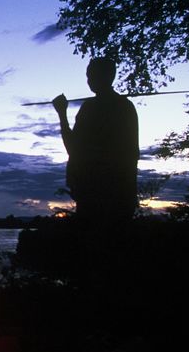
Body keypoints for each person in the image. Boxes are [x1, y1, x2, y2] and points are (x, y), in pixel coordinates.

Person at [52, 58, 139, 228]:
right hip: (123, 195)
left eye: (91, 76)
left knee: (94, 246)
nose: (89, 80)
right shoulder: (126, 107)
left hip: (94, 194)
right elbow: (132, 154)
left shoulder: (90, 108)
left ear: (106, 76)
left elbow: (73, 148)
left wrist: (62, 113)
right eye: (88, 76)